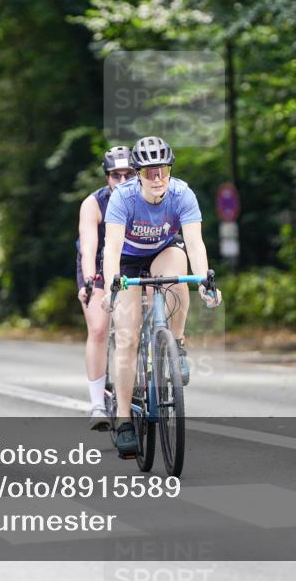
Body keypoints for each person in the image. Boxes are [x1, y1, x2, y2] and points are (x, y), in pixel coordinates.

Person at [101, 136, 222, 458]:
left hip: (163, 250)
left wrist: (205, 282)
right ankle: (125, 420)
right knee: (127, 337)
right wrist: (113, 285)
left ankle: (177, 343)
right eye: (150, 172)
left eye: (163, 170)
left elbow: (195, 243)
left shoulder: (182, 194)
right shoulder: (123, 198)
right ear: (138, 173)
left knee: (179, 276)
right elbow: (111, 247)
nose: (157, 178)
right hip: (127, 259)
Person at [77, 145, 133, 431]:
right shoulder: (94, 203)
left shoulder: (142, 199)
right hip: (98, 267)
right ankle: (98, 402)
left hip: (131, 266)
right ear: (107, 178)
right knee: (99, 328)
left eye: (129, 175)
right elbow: (89, 248)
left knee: (140, 321)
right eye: (116, 176)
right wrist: (89, 280)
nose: (122, 182)